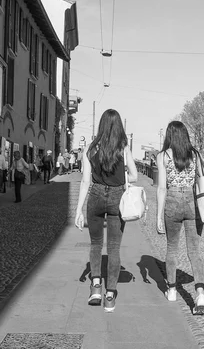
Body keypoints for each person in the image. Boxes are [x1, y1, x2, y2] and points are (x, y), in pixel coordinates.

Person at [74, 109, 137, 313]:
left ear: (101, 125)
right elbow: (134, 176)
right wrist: (123, 174)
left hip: (96, 196)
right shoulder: (123, 148)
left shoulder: (91, 149)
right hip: (118, 198)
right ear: (119, 126)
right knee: (114, 247)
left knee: (95, 244)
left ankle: (95, 288)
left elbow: (85, 181)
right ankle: (110, 295)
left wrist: (79, 210)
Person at [156, 121, 204, 316]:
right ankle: (200, 293)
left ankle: (171, 289)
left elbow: (161, 188)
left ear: (169, 135)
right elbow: (202, 180)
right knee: (194, 251)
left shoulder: (163, 156)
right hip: (192, 203)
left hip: (173, 201)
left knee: (172, 249)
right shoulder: (195, 154)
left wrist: (159, 215)